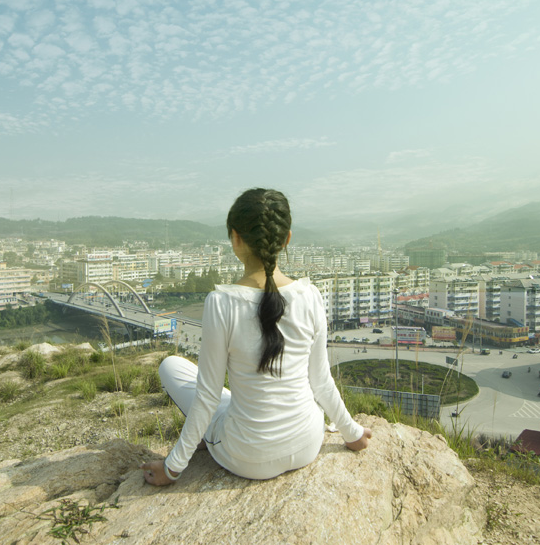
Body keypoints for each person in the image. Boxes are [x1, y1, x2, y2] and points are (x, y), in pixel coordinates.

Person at [141, 188, 371, 485]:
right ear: (287, 238)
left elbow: (207, 397)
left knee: (171, 367)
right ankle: (211, 433)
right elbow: (321, 381)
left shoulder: (221, 302)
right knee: (232, 399)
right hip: (307, 444)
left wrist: (172, 468)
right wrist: (351, 432)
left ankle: (205, 438)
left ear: (236, 239)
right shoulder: (310, 295)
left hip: (246, 456)